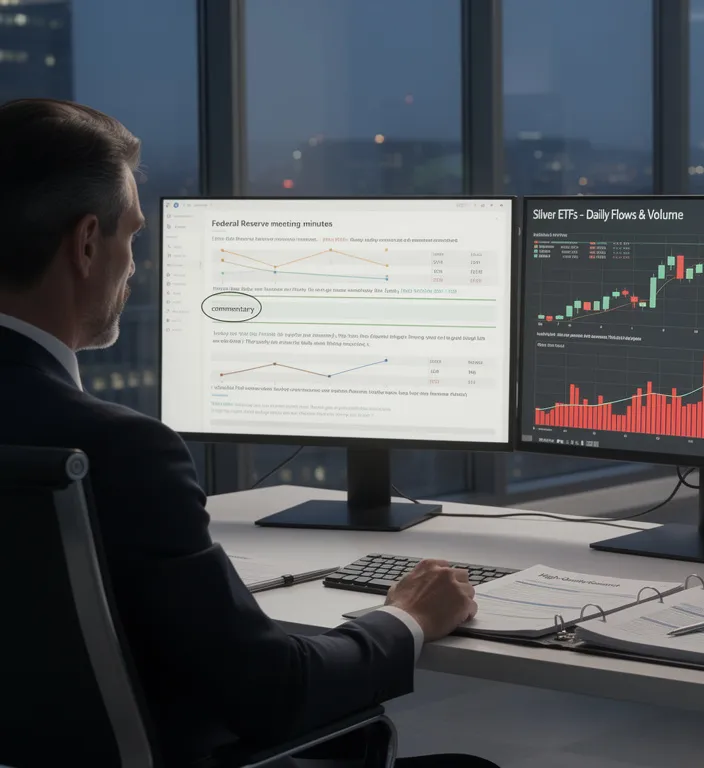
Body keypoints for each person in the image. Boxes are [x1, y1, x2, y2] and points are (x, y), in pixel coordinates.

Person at [0, 99, 496, 768]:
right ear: (88, 243)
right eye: (134, 237)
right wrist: (408, 617)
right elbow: (274, 693)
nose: (134, 267)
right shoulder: (119, 449)